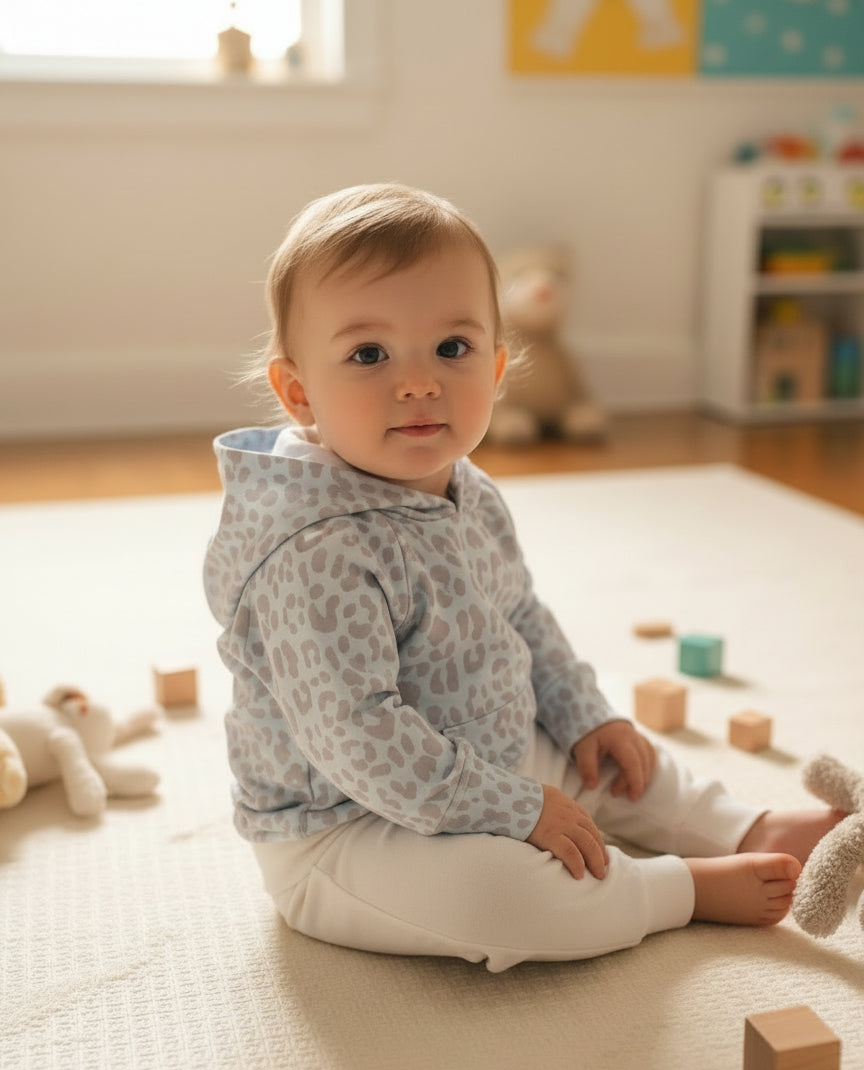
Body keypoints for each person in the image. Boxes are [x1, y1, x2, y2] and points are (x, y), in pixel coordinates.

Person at [204, 182, 844, 972]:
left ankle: (745, 826)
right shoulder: (312, 552)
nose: (417, 382)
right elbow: (357, 737)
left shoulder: (465, 485)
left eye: (452, 348)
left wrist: (584, 715)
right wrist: (517, 808)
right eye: (369, 355)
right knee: (500, 898)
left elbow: (521, 615)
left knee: (615, 760)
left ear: (499, 367)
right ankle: (673, 890)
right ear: (298, 392)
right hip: (349, 826)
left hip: (486, 746)